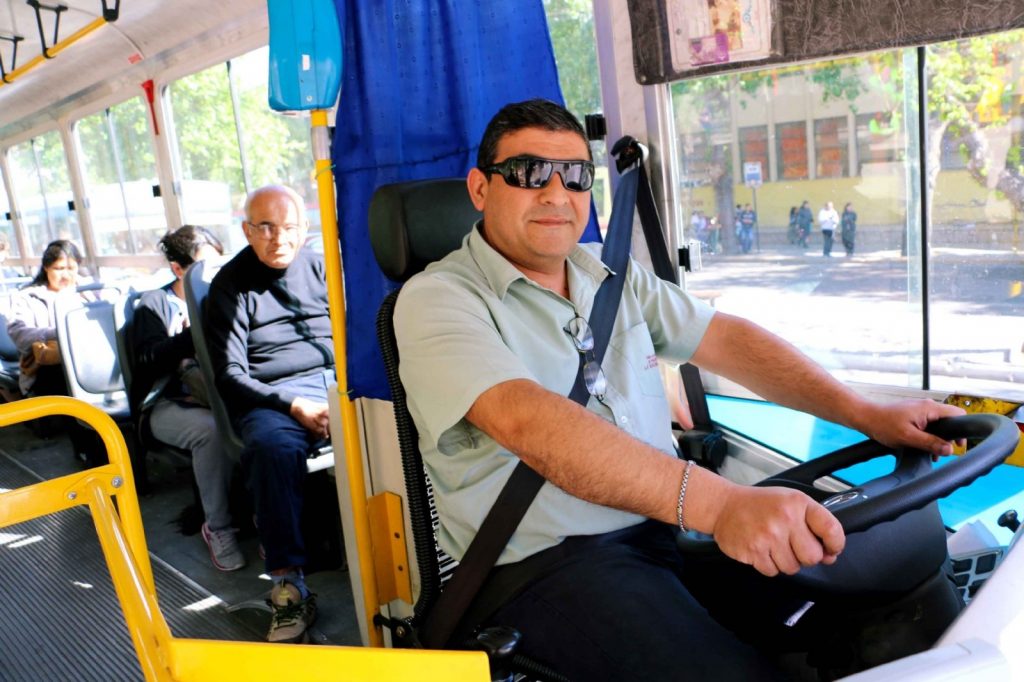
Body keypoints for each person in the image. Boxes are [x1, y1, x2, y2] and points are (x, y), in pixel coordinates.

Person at [393, 99, 963, 680]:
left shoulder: (608, 273)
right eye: (530, 173)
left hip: (663, 531)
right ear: (480, 188)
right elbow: (532, 424)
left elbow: (727, 341)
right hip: (545, 567)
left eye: (575, 175)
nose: (557, 194)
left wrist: (865, 413)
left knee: (880, 609)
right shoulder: (438, 300)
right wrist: (722, 504)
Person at [205, 185, 333, 644]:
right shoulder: (230, 286)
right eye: (265, 227)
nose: (278, 238)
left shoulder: (324, 268)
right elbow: (229, 374)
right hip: (274, 393)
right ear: (246, 230)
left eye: (289, 227)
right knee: (271, 448)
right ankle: (287, 584)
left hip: (335, 377)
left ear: (304, 231)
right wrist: (292, 405)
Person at [131, 225, 244, 572]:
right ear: (178, 270)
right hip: (167, 402)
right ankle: (219, 527)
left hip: (221, 394)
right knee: (209, 431)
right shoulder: (153, 305)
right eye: (201, 268)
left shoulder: (230, 297)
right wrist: (193, 333)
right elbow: (149, 358)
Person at [6, 240, 105, 464]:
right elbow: (20, 336)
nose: (66, 275)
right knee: (67, 381)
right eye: (59, 269)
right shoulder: (27, 297)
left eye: (71, 268)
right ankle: (88, 451)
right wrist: (62, 330)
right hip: (46, 368)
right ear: (46, 268)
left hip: (91, 360)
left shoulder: (91, 291)